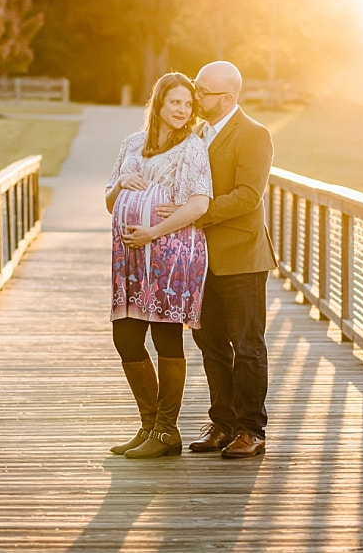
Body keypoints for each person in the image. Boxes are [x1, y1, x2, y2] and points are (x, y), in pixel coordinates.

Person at [105, 72, 213, 459]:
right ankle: (149, 425)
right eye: (175, 103)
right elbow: (108, 200)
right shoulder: (132, 144)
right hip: (130, 259)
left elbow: (199, 204)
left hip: (172, 254)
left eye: (188, 104)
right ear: (159, 104)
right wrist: (122, 183)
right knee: (127, 338)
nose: (183, 110)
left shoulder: (192, 147)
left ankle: (167, 430)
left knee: (166, 337)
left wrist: (152, 233)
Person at [173, 60, 277, 459]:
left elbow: (249, 196)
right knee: (210, 344)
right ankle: (222, 423)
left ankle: (251, 429)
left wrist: (197, 210)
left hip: (242, 259)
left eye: (202, 91)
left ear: (227, 98)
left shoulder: (254, 135)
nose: (195, 97)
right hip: (200, 260)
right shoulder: (197, 132)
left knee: (248, 346)